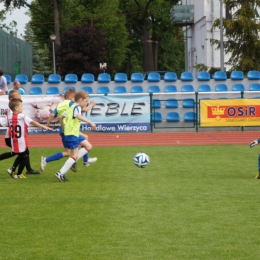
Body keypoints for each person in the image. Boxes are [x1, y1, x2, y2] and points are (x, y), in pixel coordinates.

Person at [40, 88, 97, 173]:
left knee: (67, 152)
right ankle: (81, 161)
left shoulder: (60, 105)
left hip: (63, 129)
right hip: (70, 129)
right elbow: (83, 110)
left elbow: (53, 115)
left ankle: (47, 160)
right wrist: (91, 104)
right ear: (71, 97)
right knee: (81, 145)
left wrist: (47, 125)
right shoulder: (72, 104)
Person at [0, 98, 52, 178]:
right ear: (16, 108)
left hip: (14, 140)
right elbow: (33, 122)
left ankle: (12, 169)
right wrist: (43, 126)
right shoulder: (22, 116)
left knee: (19, 154)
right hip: (21, 141)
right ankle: (18, 174)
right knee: (25, 155)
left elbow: (1, 124)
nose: (22, 107)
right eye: (21, 106)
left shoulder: (8, 117)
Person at [54, 90, 96, 182]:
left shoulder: (71, 107)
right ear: (81, 99)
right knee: (75, 155)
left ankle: (74, 162)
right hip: (72, 134)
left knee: (88, 146)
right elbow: (78, 116)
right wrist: (91, 122)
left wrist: (63, 127)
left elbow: (60, 117)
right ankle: (60, 173)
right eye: (86, 101)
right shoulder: (77, 107)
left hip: (72, 134)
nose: (86, 103)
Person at [0, 90, 40, 176]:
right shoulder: (14, 110)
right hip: (12, 137)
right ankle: (16, 170)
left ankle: (22, 169)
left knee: (22, 152)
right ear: (12, 99)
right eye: (18, 98)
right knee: (23, 153)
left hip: (13, 136)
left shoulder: (11, 109)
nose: (20, 100)